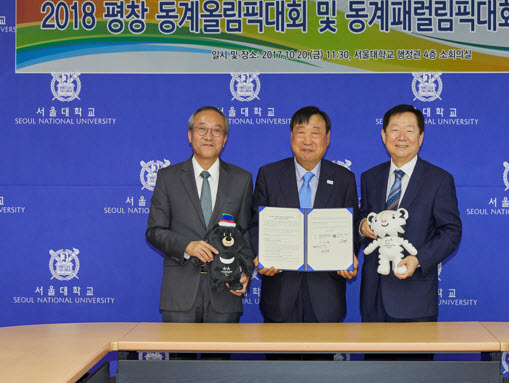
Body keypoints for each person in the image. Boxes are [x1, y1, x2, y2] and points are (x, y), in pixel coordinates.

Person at [249, 106, 359, 329]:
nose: (308, 140)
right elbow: (254, 225)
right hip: (280, 290)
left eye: (315, 132)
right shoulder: (269, 175)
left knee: (320, 365)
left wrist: (349, 255)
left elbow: (352, 226)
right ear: (291, 136)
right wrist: (260, 255)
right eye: (301, 132)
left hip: (326, 294)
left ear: (327, 138)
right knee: (279, 364)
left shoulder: (344, 179)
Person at [146, 106, 253, 326]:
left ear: (224, 139)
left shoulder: (242, 179)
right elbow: (154, 231)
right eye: (202, 129)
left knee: (218, 361)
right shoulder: (168, 177)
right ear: (190, 135)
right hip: (180, 291)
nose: (209, 136)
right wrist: (186, 246)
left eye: (217, 131)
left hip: (225, 292)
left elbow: (246, 234)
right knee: (179, 361)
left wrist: (244, 271)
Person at [359, 104, 462, 329]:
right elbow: (364, 216)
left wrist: (418, 259)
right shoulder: (370, 177)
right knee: (374, 366)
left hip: (415, 298)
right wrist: (361, 225)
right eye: (395, 129)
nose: (402, 137)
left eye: (410, 130)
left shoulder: (439, 179)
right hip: (373, 297)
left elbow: (451, 232)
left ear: (421, 137)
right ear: (384, 135)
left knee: (415, 365)